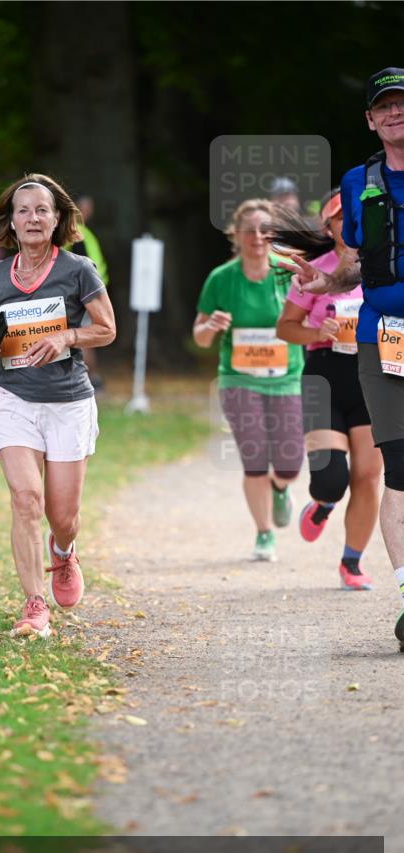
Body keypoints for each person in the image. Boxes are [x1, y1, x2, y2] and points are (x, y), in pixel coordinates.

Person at [0, 174, 116, 638]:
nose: (32, 218)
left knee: (61, 516)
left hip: (68, 401)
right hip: (14, 399)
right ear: (11, 220)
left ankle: (63, 552)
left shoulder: (77, 269)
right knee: (25, 500)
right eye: (23, 210)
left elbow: (106, 329)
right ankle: (34, 605)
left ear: (58, 218)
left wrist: (66, 336)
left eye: (42, 210)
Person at [286, 67, 404, 650]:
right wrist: (324, 294)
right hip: (358, 354)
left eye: (402, 103)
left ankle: (359, 562)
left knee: (380, 472)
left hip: (382, 346)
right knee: (365, 473)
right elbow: (354, 267)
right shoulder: (361, 183)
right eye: (384, 106)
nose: (394, 113)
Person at [274, 190, 382, 590]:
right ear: (328, 225)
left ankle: (351, 563)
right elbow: (284, 327)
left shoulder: (384, 267)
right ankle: (322, 502)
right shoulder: (313, 270)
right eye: (340, 216)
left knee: (369, 476)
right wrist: (316, 331)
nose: (349, 222)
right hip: (324, 374)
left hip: (374, 374)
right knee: (332, 477)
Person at [193, 199, 305, 561]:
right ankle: (264, 534)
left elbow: (310, 315)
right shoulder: (221, 279)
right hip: (238, 379)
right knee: (254, 457)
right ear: (236, 236)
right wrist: (209, 327)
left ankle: (280, 487)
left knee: (289, 462)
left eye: (265, 230)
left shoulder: (289, 273)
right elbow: (200, 336)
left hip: (286, 376)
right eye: (249, 230)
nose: (257, 236)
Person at [65, 195, 110, 391]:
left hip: (93, 294)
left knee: (87, 337)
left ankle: (89, 377)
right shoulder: (76, 234)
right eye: (84, 207)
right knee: (86, 338)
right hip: (83, 295)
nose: (88, 212)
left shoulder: (83, 232)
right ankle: (90, 378)